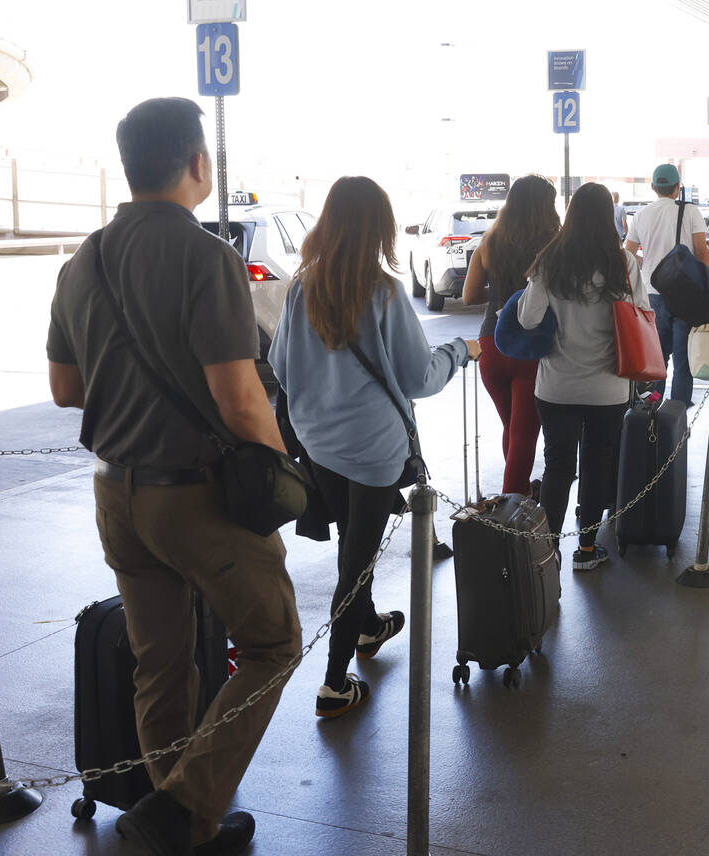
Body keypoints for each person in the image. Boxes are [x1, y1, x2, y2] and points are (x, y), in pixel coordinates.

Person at [46, 97, 301, 855]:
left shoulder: (82, 259)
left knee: (160, 663)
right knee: (272, 643)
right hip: (195, 498)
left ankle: (181, 821)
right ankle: (184, 803)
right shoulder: (205, 257)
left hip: (116, 493)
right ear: (198, 163)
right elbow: (237, 395)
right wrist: (283, 465)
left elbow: (65, 389)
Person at [269, 176, 479, 718]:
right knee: (356, 563)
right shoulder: (382, 292)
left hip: (318, 444)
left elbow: (279, 368)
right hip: (373, 451)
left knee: (352, 546)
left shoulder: (301, 286)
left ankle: (365, 628)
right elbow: (419, 376)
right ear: (379, 229)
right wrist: (462, 349)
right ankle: (334, 685)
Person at [520, 183, 650, 572]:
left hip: (557, 386)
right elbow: (642, 313)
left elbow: (527, 319)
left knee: (558, 466)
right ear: (608, 217)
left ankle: (548, 555)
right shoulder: (622, 264)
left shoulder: (550, 261)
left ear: (571, 214)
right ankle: (588, 551)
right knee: (597, 464)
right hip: (608, 388)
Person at [462, 174, 559, 495]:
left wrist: (500, 293)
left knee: (513, 429)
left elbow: (468, 295)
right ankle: (512, 508)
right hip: (530, 349)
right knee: (523, 435)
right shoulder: (552, 245)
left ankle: (518, 495)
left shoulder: (489, 242)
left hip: (491, 345)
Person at [624, 163, 709, 406]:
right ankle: (678, 417)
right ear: (677, 188)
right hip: (685, 296)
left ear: (653, 187)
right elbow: (703, 254)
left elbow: (628, 254)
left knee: (657, 359)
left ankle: (652, 411)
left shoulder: (641, 216)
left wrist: (647, 264)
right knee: (683, 361)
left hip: (652, 295)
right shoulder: (691, 212)